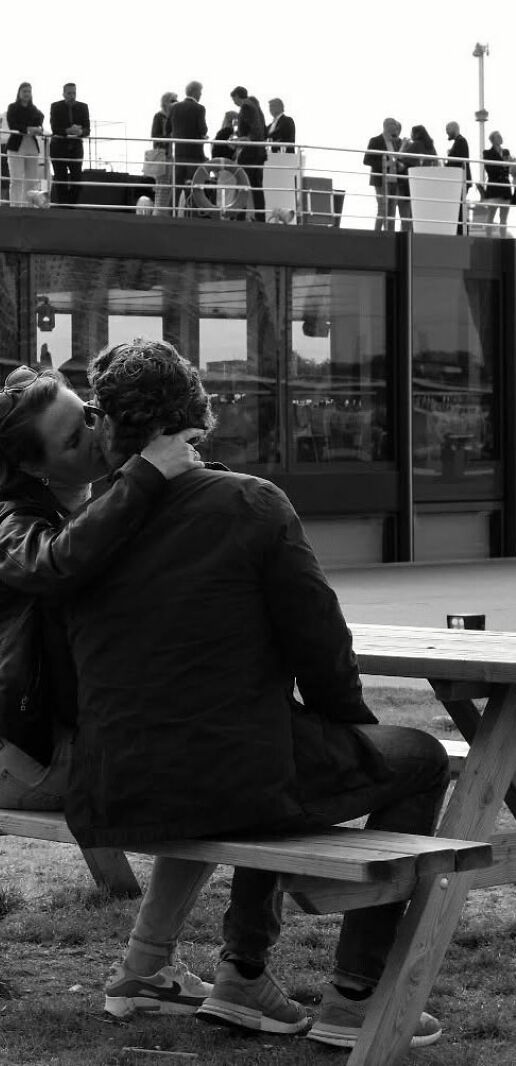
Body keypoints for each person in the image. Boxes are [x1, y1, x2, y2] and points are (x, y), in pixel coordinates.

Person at [63, 339, 449, 1048]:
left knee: (269, 747)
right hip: (229, 772)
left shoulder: (89, 525)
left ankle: (244, 975)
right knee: (419, 757)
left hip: (117, 781)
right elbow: (321, 645)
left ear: (110, 425)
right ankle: (355, 994)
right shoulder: (250, 503)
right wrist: (352, 732)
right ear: (196, 419)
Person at [0, 363, 204, 813]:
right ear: (33, 467)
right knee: (209, 768)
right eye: (72, 441)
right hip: (6, 756)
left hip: (27, 736)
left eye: (88, 415)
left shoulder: (77, 513)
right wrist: (146, 473)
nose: (95, 434)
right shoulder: (8, 518)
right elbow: (53, 563)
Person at [166, 81, 208, 206]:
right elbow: (203, 130)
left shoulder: (174, 107)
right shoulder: (199, 108)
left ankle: (170, 213)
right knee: (193, 189)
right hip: (195, 155)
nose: (201, 95)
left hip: (179, 154)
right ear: (195, 92)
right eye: (200, 92)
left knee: (175, 189)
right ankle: (191, 215)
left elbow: (167, 128)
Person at [49, 83, 90, 207]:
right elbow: (54, 128)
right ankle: (63, 207)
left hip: (75, 148)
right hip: (58, 148)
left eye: (74, 93)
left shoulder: (83, 107)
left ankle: (71, 206)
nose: (72, 96)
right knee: (60, 178)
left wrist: (80, 131)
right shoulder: (55, 107)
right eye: (69, 93)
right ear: (63, 94)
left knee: (77, 179)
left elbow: (87, 129)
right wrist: (68, 131)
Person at [230, 86, 267, 221]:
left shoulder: (246, 107)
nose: (234, 102)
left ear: (237, 96)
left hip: (250, 152)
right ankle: (260, 216)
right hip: (259, 151)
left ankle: (240, 216)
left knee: (242, 183)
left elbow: (254, 131)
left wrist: (240, 140)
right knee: (256, 186)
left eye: (234, 99)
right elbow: (262, 130)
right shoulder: (255, 106)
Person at [5, 84, 44, 207]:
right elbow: (13, 125)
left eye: (29, 91)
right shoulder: (13, 107)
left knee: (31, 180)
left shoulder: (34, 109)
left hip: (31, 146)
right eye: (24, 91)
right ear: (19, 93)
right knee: (16, 179)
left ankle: (29, 206)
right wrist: (28, 128)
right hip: (16, 146)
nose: (27, 94)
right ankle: (15, 206)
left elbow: (40, 121)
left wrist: (36, 129)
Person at [363, 118, 402, 233]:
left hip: (395, 180)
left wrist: (399, 164)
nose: (396, 127)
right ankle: (377, 233)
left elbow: (397, 158)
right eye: (393, 125)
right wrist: (384, 164)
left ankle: (390, 234)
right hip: (381, 179)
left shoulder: (396, 141)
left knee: (392, 210)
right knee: (382, 208)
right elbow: (367, 160)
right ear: (387, 126)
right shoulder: (375, 141)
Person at [150, 92, 177, 215]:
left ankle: (164, 212)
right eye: (173, 101)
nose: (175, 103)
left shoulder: (171, 117)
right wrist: (169, 137)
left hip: (170, 156)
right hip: (161, 156)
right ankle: (159, 213)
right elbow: (155, 136)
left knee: (169, 187)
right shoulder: (159, 116)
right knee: (162, 186)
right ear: (166, 102)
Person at [482, 130, 512, 237]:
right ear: (493, 140)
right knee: (491, 215)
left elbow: (509, 169)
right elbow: (489, 169)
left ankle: (503, 240)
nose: (500, 138)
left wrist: (511, 164)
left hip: (505, 188)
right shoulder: (487, 153)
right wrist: (503, 164)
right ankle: (488, 239)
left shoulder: (506, 152)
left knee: (504, 218)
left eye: (500, 136)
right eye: (498, 136)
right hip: (494, 188)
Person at [445, 121, 472, 235]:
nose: (446, 132)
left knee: (460, 207)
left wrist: (448, 159)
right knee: (459, 207)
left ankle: (461, 231)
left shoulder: (460, 141)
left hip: (461, 179)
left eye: (447, 130)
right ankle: (460, 231)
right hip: (461, 179)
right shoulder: (460, 141)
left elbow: (456, 161)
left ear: (453, 129)